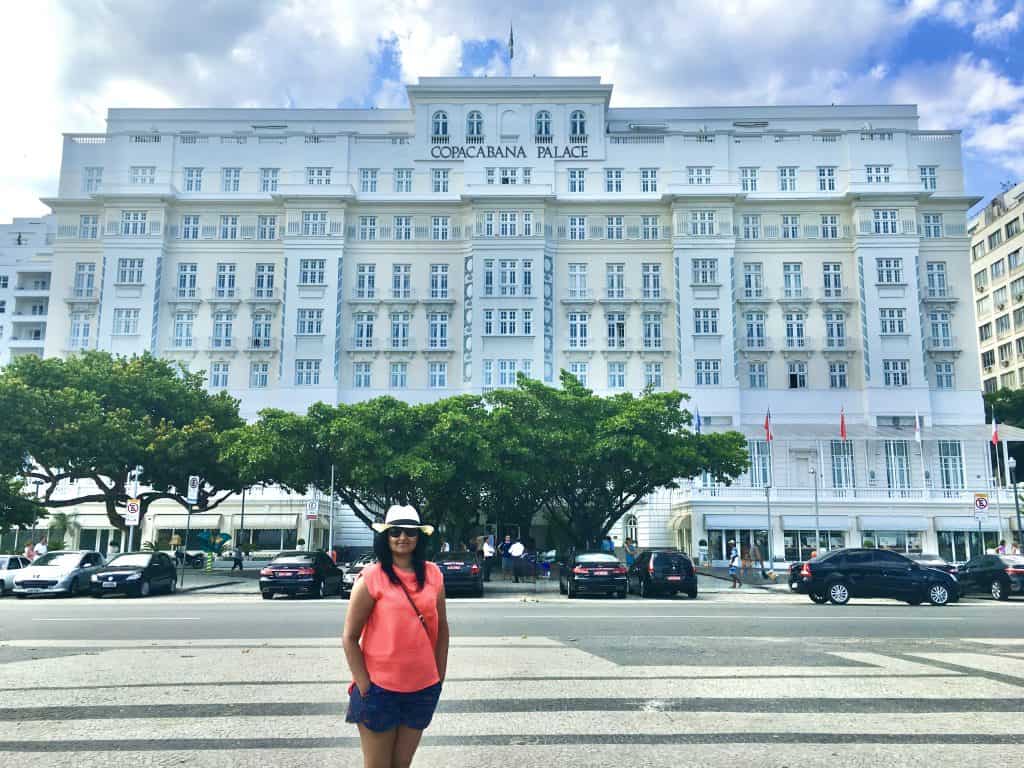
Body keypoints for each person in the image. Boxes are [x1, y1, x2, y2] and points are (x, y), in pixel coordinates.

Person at [343, 505, 449, 768]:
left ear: (419, 536)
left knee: (402, 764)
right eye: (395, 532)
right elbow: (349, 637)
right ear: (386, 537)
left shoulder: (434, 574)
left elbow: (442, 629)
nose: (403, 537)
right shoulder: (371, 577)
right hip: (380, 690)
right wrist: (365, 686)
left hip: (422, 690)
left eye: (410, 532)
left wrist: (438, 678)